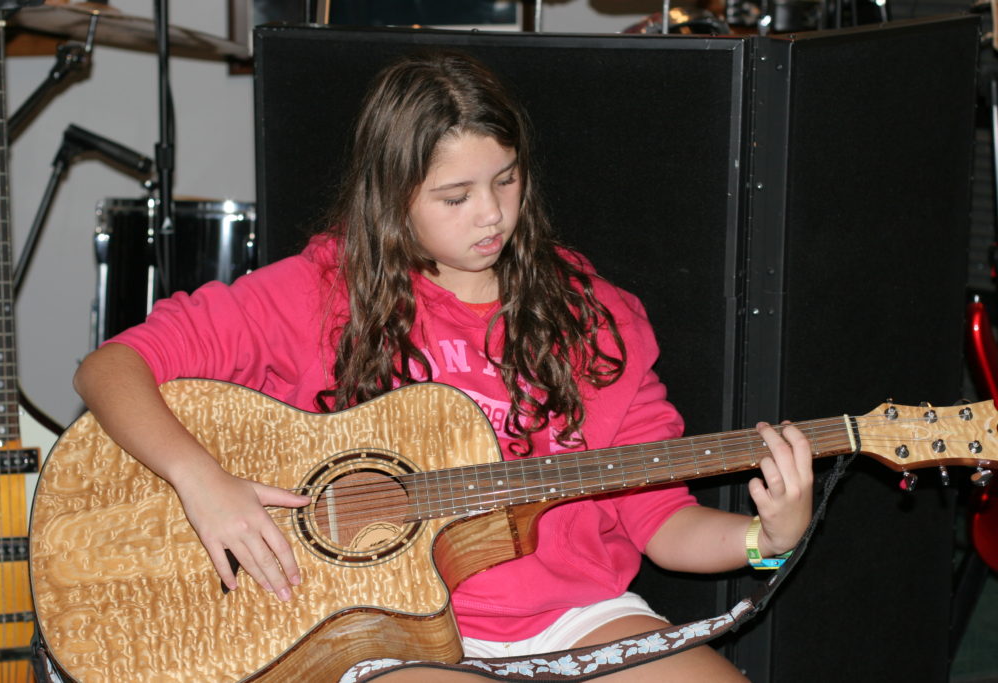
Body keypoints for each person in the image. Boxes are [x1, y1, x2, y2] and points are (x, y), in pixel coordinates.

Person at [73, 51, 813, 682]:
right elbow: (110, 368)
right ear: (394, 198)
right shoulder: (321, 293)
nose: (490, 214)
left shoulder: (596, 315)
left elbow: (657, 518)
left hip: (576, 617)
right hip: (387, 627)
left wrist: (764, 540)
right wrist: (204, 482)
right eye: (455, 196)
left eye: (506, 180)